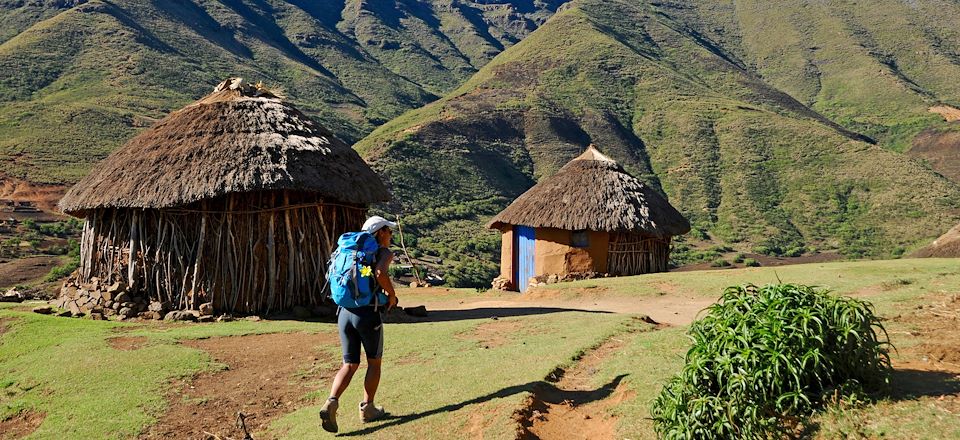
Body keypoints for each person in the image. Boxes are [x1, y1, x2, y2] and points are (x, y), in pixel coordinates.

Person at [319, 216, 399, 433]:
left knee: (349, 364)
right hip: (367, 314)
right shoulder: (382, 252)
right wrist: (392, 296)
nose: (390, 236)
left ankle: (332, 401)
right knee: (374, 362)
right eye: (388, 232)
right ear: (380, 232)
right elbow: (380, 273)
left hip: (344, 313)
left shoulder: (348, 250)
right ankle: (368, 408)